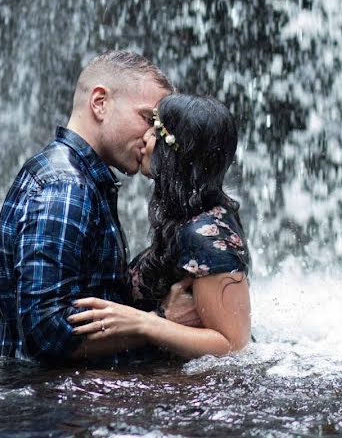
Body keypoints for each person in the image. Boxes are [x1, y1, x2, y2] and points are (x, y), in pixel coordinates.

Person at [0, 50, 200, 367]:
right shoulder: (66, 187)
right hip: (59, 410)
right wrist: (161, 321)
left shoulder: (76, 178)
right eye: (148, 119)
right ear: (100, 102)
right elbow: (45, 331)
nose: (152, 137)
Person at [68, 94, 251, 358]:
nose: (145, 137)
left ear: (177, 151)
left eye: (155, 131)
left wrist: (147, 323)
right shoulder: (193, 216)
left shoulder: (207, 235)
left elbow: (234, 346)